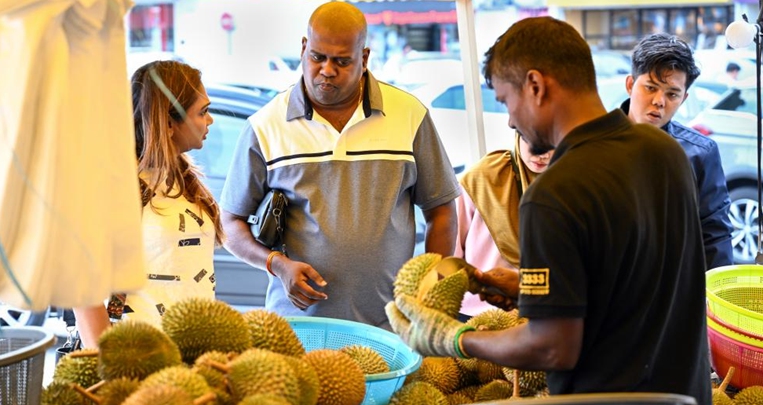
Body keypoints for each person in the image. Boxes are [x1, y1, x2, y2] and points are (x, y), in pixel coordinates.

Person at [386, 17, 715, 405]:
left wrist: (452, 338)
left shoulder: (554, 193)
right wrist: (526, 287)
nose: (508, 118)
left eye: (505, 98)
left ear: (535, 86)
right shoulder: (663, 154)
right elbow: (630, 281)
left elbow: (552, 348)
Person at [219, 2, 459, 330]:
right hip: (296, 330)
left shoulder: (410, 116)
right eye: (317, 57)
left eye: (342, 61)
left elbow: (442, 211)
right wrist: (277, 264)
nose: (327, 70)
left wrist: (431, 288)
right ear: (304, 48)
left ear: (364, 58)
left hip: (390, 328)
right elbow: (230, 223)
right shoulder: (266, 126)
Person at [74, 60, 221, 348]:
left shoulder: (182, 180)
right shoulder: (117, 184)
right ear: (168, 123)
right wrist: (108, 363)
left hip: (195, 352)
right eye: (202, 112)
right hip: (140, 354)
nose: (210, 120)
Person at [622, 33, 734, 269]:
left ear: (684, 98)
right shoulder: (593, 142)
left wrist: (712, 295)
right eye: (650, 87)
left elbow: (714, 232)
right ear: (630, 85)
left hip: (673, 292)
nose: (659, 101)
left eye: (672, 94)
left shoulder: (700, 153)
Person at [454, 132, 552, 319]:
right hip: (474, 313)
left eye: (553, 143)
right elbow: (452, 252)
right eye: (533, 140)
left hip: (540, 316)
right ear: (518, 130)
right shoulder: (481, 178)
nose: (542, 154)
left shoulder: (570, 186)